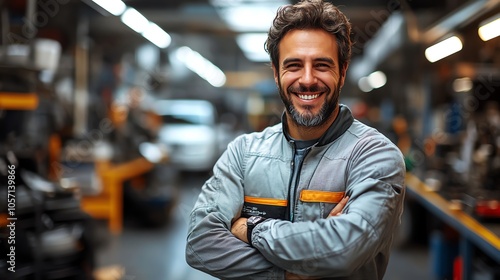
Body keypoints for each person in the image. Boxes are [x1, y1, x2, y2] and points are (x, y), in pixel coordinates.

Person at [185, 0, 406, 279]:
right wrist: (288, 275)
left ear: (343, 71)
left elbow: (344, 250)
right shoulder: (243, 154)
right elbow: (200, 244)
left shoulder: (374, 156)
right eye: (294, 65)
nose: (308, 79)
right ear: (276, 73)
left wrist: (251, 228)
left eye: (322, 65)